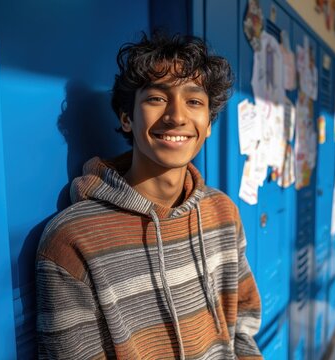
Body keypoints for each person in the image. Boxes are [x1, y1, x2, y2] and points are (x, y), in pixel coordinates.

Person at [36, 32, 262, 360]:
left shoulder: (223, 213)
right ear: (126, 118)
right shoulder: (71, 240)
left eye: (194, 101)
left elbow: (242, 324)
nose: (177, 116)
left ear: (209, 122)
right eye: (156, 98)